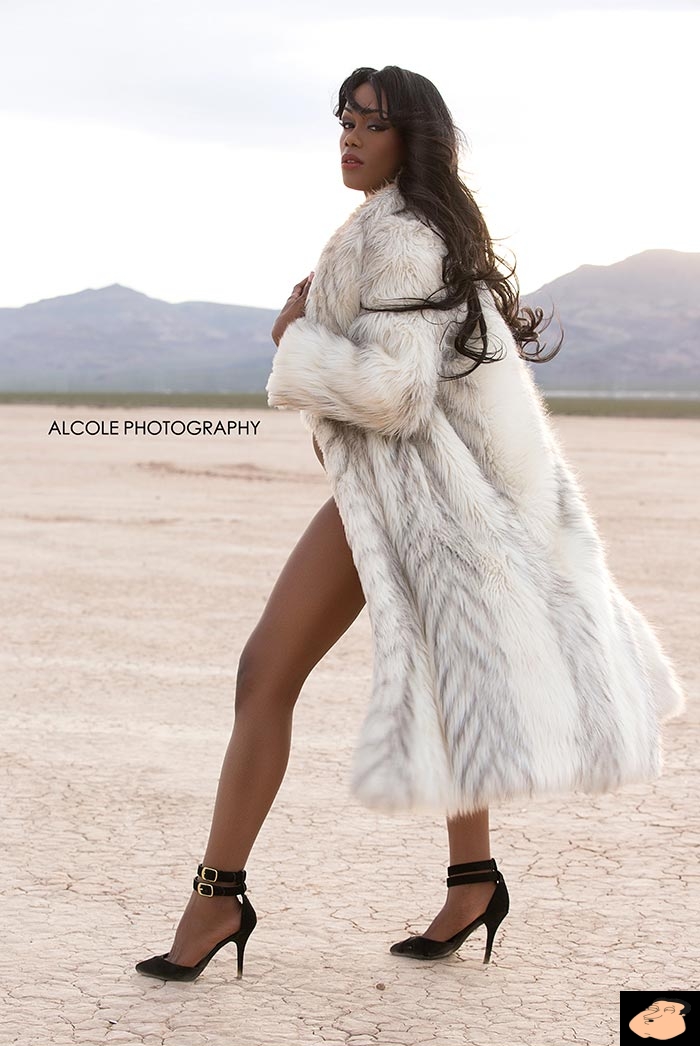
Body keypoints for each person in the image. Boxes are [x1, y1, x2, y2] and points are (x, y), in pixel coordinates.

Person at [135, 65, 685, 983]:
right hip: (427, 502)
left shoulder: (396, 237)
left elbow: (393, 394)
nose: (351, 138)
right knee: (446, 679)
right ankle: (473, 884)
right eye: (345, 120)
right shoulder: (413, 228)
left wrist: (294, 340)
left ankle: (217, 897)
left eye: (372, 125)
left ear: (410, 139)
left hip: (412, 502)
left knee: (265, 672)